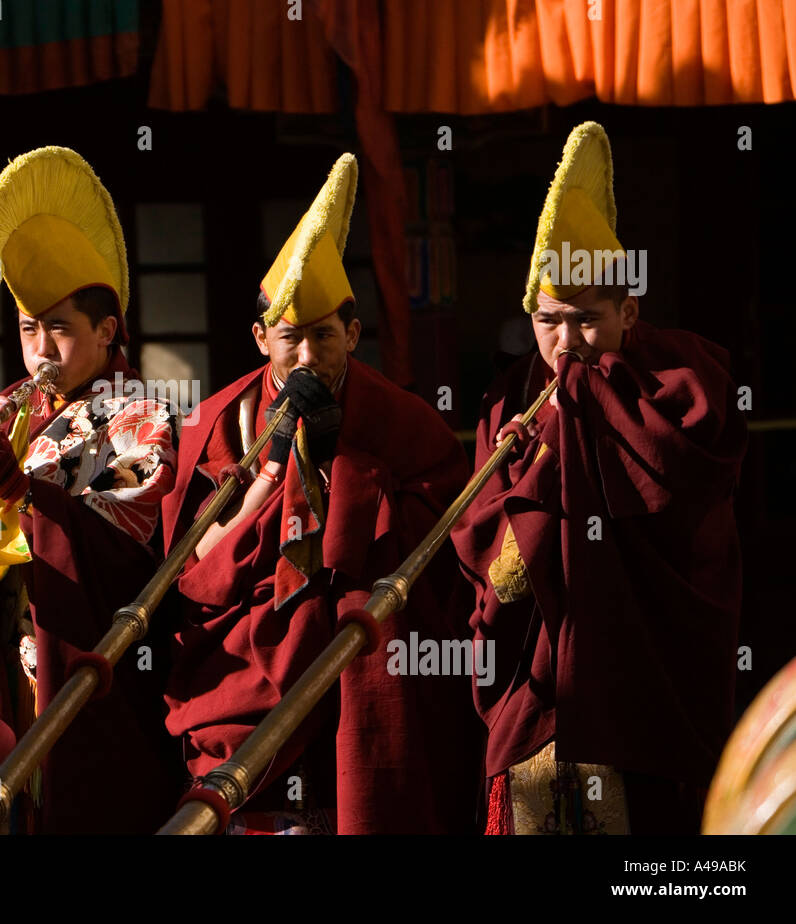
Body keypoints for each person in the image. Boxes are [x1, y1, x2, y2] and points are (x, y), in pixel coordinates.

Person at [160, 154, 483, 834]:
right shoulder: (218, 422)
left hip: (360, 668)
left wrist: (348, 470)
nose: (307, 358)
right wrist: (276, 475)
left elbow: (441, 554)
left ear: (354, 335)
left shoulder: (403, 423)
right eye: (290, 339)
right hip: (241, 671)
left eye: (325, 337)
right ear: (259, 339)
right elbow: (192, 572)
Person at [450, 121, 747, 834]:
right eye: (549, 321)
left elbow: (687, 501)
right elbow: (480, 539)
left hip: (643, 680)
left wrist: (586, 412)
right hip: (540, 686)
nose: (568, 341)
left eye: (588, 320)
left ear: (629, 311)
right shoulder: (511, 401)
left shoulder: (681, 384)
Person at [0, 146, 182, 833]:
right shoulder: (12, 403)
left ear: (107, 330)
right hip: (4, 660)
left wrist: (15, 483)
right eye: (29, 329)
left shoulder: (141, 416)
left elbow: (121, 544)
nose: (41, 351)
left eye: (60, 329)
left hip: (80, 667)